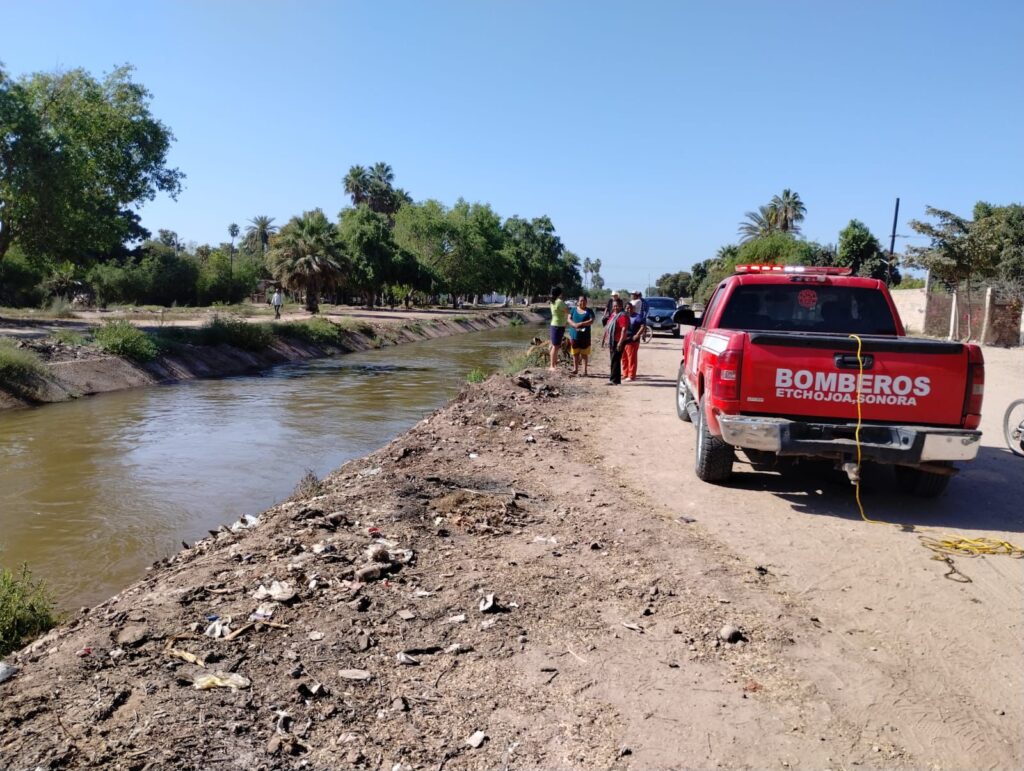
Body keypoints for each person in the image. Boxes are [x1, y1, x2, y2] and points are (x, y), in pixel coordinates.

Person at [567, 294, 595, 376]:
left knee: (584, 354)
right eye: (581, 301)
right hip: (574, 336)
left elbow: (591, 320)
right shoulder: (573, 310)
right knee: (575, 353)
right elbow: (569, 319)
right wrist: (574, 325)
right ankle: (575, 369)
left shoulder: (589, 311)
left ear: (586, 302)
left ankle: (584, 371)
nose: (582, 302)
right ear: (578, 302)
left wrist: (581, 324)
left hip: (585, 337)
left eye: (584, 301)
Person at [606, 297, 630, 385]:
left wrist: (620, 343)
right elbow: (608, 327)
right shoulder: (613, 315)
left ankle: (614, 380)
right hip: (612, 341)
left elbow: (624, 330)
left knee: (615, 360)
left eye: (617, 306)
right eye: (614, 306)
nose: (615, 307)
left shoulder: (622, 316)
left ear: (621, 306)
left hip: (618, 341)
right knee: (613, 360)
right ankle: (616, 379)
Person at [622, 298, 646, 382]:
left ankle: (631, 375)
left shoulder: (637, 316)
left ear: (633, 308)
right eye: (626, 308)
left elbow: (643, 326)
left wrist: (637, 335)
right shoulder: (624, 316)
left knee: (631, 358)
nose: (628, 309)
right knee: (624, 358)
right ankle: (625, 374)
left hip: (632, 341)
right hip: (624, 340)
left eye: (629, 308)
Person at [549, 286, 568, 371]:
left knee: (556, 346)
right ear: (560, 293)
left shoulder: (553, 301)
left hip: (556, 325)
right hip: (558, 326)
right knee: (555, 346)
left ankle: (554, 365)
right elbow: (567, 311)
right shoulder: (559, 302)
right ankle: (552, 366)